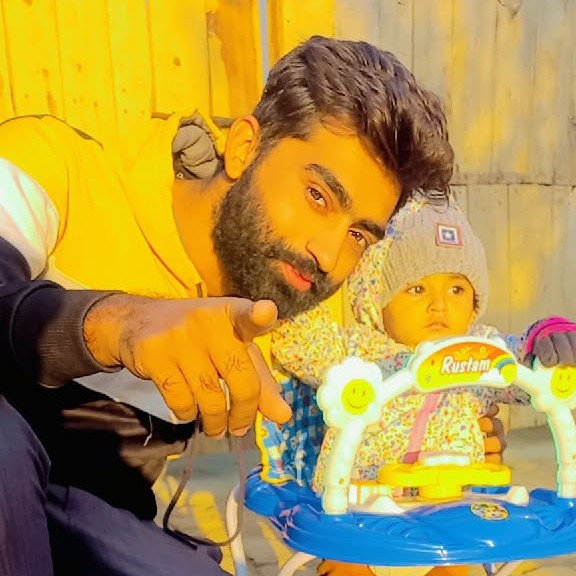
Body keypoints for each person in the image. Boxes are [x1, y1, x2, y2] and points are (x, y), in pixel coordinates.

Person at [0, 36, 461, 576]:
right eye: (317, 196)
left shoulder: (268, 285)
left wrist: (443, 431)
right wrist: (117, 324)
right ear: (244, 147)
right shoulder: (55, 166)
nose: (329, 255)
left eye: (359, 235)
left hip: (98, 522)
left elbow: (356, 395)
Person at [268, 197, 576, 576]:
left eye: (456, 290)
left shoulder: (478, 353)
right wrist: (296, 279)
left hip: (451, 515)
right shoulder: (356, 351)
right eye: (416, 289)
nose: (439, 305)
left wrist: (546, 341)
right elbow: (297, 341)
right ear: (376, 300)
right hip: (360, 512)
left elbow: (526, 371)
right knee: (345, 565)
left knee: (455, 567)